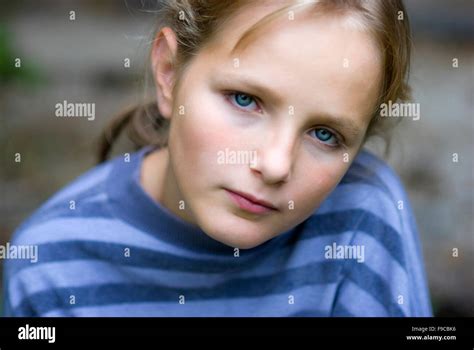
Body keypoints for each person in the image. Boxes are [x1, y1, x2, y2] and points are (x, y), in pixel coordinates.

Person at [3, 0, 432, 316]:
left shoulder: (362, 221)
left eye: (325, 134)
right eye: (245, 100)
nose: (277, 165)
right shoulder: (50, 262)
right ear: (170, 73)